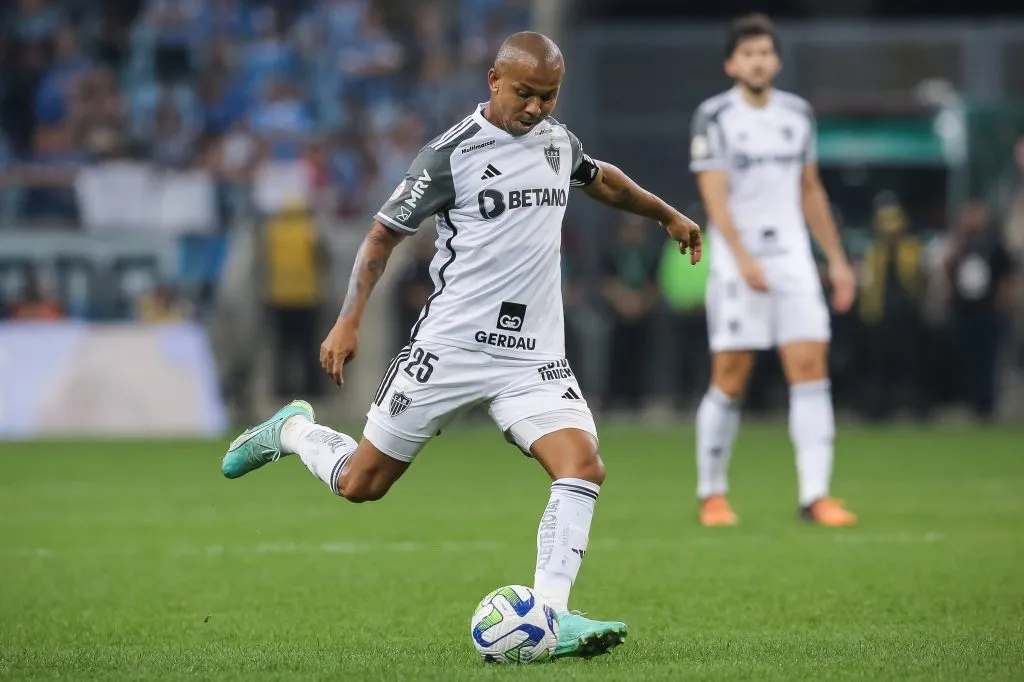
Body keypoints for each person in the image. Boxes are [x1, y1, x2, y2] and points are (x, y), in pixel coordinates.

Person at [221, 31, 702, 659]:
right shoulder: (450, 155)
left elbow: (601, 179)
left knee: (582, 467)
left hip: (532, 358)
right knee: (362, 484)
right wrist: (348, 320)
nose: (535, 109)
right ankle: (291, 431)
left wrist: (665, 214)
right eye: (525, 94)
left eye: (549, 97)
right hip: (450, 350)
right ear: (495, 82)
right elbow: (379, 238)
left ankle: (551, 619)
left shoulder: (558, 143)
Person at [688, 13, 857, 527]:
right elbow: (713, 199)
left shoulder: (798, 114)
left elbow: (811, 191)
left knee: (810, 372)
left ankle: (815, 495)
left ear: (776, 60)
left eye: (765, 52)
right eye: (749, 54)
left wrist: (838, 262)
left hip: (794, 261)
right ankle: (712, 493)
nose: (759, 61)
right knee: (731, 378)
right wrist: (740, 260)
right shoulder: (714, 116)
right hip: (741, 263)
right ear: (731, 64)